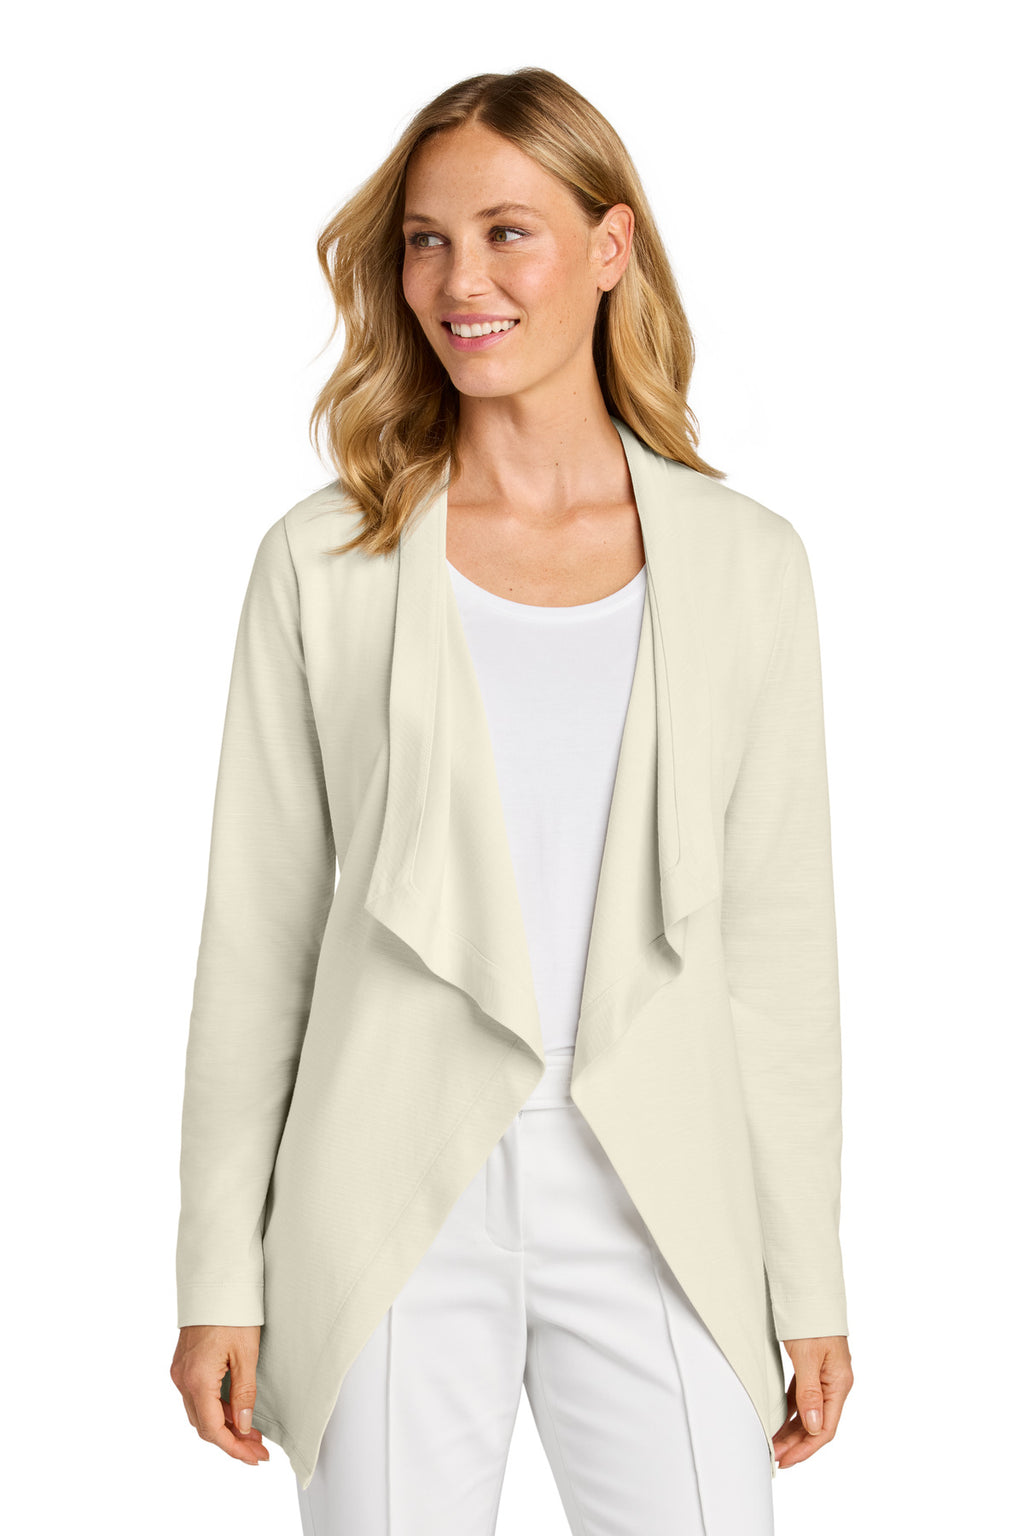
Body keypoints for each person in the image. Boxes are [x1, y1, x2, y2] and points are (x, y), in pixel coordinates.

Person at [170, 67, 854, 1535]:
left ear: (611, 246)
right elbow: (259, 936)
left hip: (664, 1189)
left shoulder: (748, 564)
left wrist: (808, 1281)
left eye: (506, 233)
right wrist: (219, 1271)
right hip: (387, 1182)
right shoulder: (326, 562)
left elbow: (779, 954)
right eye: (425, 241)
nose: (458, 282)